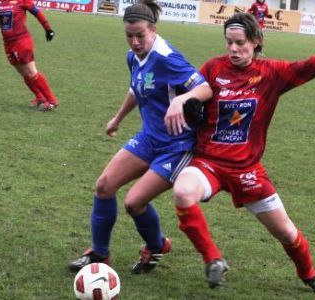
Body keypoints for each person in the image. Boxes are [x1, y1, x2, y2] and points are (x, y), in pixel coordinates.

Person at [165, 13, 315, 295]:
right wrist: (191, 108)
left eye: (240, 43)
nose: (233, 49)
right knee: (183, 192)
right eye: (229, 43)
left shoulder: (272, 73)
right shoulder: (213, 68)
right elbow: (190, 97)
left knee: (285, 232)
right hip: (208, 163)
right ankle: (213, 259)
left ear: (256, 42)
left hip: (247, 170)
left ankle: (309, 273)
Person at [68, 0, 212, 274]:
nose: (134, 42)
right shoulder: (133, 57)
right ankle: (99, 254)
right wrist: (118, 118)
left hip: (177, 146)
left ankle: (156, 245)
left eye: (140, 35)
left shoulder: (167, 58)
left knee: (134, 202)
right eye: (129, 36)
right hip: (149, 137)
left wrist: (182, 100)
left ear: (153, 30)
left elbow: (204, 88)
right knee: (104, 186)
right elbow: (136, 89)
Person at [0, 0, 59, 110]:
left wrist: (48, 29)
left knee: (31, 71)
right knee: (22, 72)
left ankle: (51, 101)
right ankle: (40, 97)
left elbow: (37, 12)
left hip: (22, 40)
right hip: (8, 42)